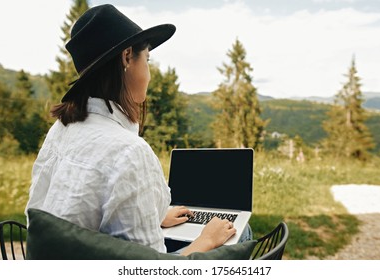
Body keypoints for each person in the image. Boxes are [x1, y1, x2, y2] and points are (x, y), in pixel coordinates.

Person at [25, 4, 237, 256]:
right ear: (127, 57)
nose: (149, 73)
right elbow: (148, 269)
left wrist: (155, 215)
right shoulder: (130, 152)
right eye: (147, 59)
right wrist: (206, 240)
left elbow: (74, 218)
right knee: (239, 234)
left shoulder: (60, 130)